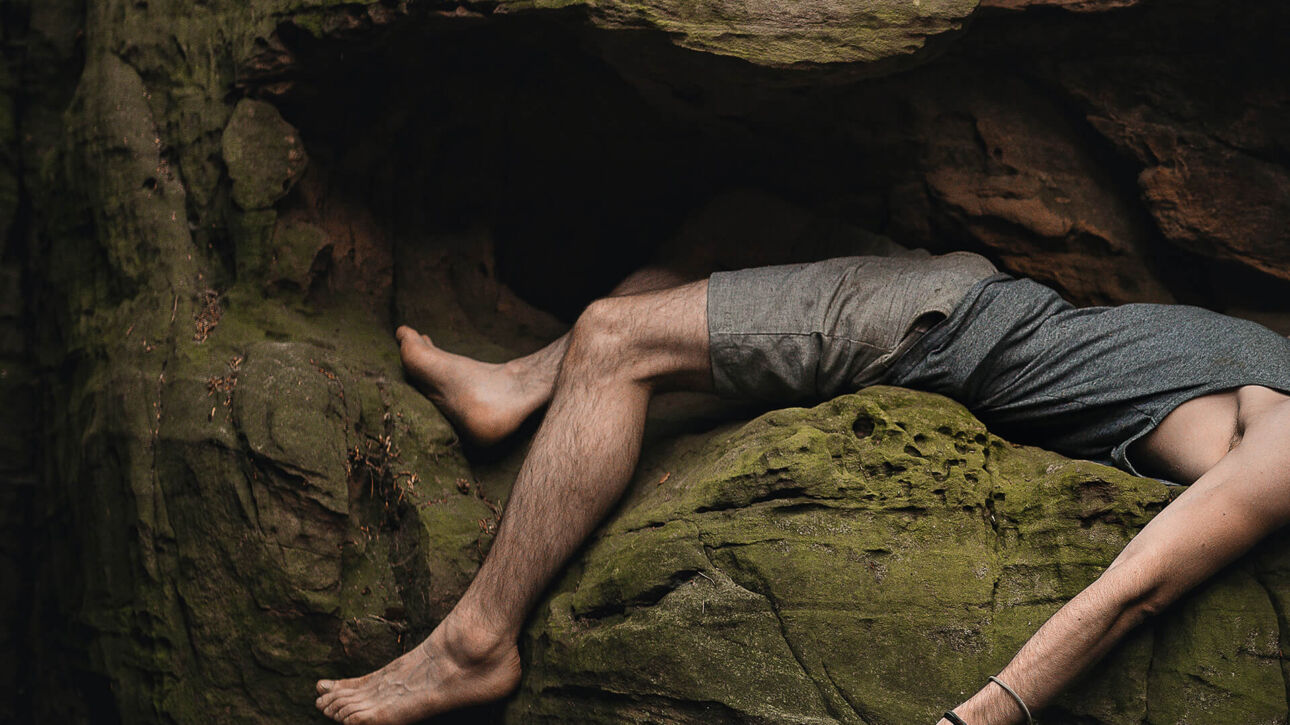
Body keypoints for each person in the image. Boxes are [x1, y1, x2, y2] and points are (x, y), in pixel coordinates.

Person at [313, 248, 1290, 725]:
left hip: (943, 326)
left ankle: (476, 638)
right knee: (730, 223)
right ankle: (519, 385)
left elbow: (1138, 587)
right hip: (975, 299)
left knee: (615, 335)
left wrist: (979, 716)